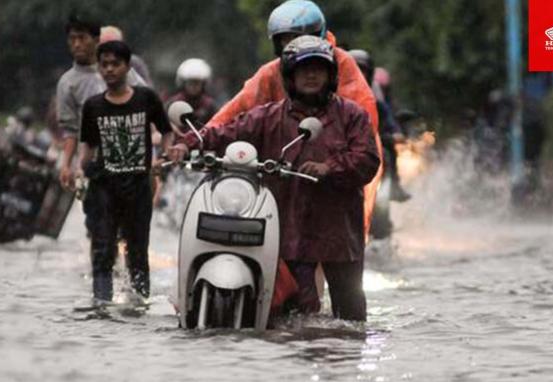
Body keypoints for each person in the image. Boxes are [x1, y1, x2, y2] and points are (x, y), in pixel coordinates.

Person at [169, 36, 380, 320]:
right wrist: (188, 144)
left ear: (331, 75)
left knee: (351, 314)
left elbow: (367, 159)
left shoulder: (352, 115)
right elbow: (227, 131)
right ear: (290, 76)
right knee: (295, 315)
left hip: (339, 232)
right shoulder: (268, 116)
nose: (311, 75)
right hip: (290, 231)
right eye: (303, 69)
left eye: (318, 68)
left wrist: (329, 167)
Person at [205, 0, 382, 238]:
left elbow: (364, 123)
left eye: (298, 38)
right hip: (284, 171)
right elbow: (233, 114)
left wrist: (329, 162)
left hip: (336, 175)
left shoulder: (344, 71)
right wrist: (193, 141)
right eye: (285, 40)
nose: (294, 47)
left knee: (341, 245)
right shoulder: (271, 74)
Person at [78, 40, 173, 301]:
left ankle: (139, 303)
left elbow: (166, 131)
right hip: (104, 186)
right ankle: (101, 303)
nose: (109, 70)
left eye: (115, 64)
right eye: (104, 65)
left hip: (138, 186)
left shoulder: (146, 98)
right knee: (102, 249)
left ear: (127, 66)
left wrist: (163, 157)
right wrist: (78, 172)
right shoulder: (93, 106)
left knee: (138, 251)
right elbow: (87, 146)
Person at [56, 14, 148, 190]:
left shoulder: (122, 71)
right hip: (93, 165)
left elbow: (147, 104)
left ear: (96, 40)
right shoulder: (67, 83)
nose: (76, 44)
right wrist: (66, 165)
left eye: (82, 38)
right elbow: (70, 131)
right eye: (72, 39)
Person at [350, 49, 411, 201]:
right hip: (345, 147)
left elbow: (388, 117)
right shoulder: (334, 96)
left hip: (371, 143)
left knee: (387, 153)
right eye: (354, 69)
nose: (359, 74)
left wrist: (396, 133)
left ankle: (394, 186)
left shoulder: (375, 98)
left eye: (362, 70)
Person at [166, 58, 218, 125]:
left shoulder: (210, 105)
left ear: (203, 84)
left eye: (197, 83)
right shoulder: (173, 103)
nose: (193, 86)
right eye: (190, 83)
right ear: (184, 83)